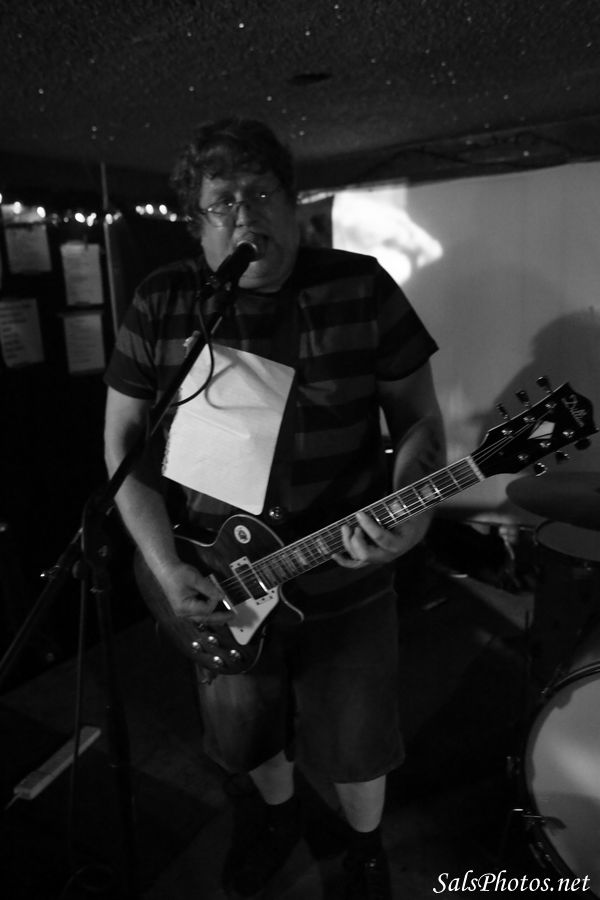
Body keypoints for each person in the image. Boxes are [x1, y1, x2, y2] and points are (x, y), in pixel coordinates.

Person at [103, 118, 445, 900]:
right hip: (215, 574)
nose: (245, 216)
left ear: (294, 206)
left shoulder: (361, 287)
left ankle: (365, 851)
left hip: (346, 570)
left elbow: (420, 422)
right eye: (222, 202)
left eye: (261, 195)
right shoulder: (163, 301)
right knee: (245, 728)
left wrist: (413, 520)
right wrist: (165, 567)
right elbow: (122, 442)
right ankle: (276, 822)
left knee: (357, 736)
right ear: (197, 225)